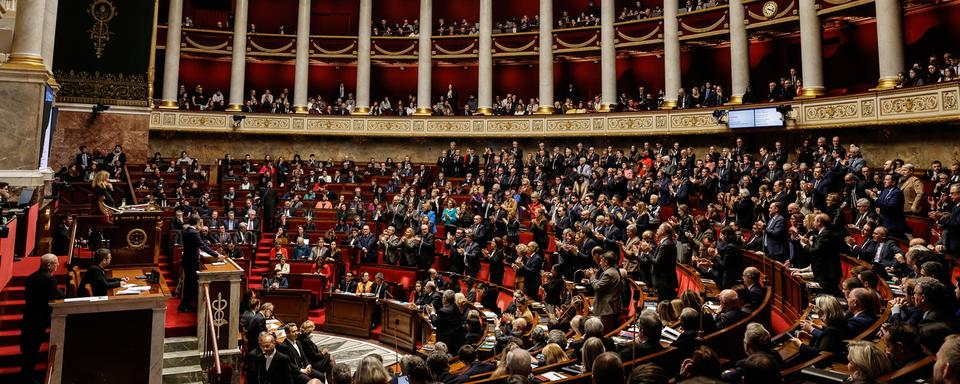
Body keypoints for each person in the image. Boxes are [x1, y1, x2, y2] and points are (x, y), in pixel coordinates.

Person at [20, 254, 63, 384]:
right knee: (33, 349)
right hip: (38, 319)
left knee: (28, 350)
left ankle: (26, 375)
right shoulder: (49, 279)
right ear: (49, 265)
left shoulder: (31, 277)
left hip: (29, 316)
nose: (58, 265)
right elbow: (58, 295)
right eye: (56, 263)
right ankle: (28, 378)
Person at [179, 215, 223, 312]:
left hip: (186, 259)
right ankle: (184, 305)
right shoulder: (194, 233)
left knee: (188, 283)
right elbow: (202, 246)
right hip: (191, 261)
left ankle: (185, 304)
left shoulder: (186, 230)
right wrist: (216, 255)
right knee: (191, 284)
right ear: (197, 222)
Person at [586, 251, 623, 333]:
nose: (600, 263)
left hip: (607, 308)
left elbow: (597, 287)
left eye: (601, 260)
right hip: (608, 307)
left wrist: (592, 276)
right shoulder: (613, 270)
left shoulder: (608, 273)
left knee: (604, 333)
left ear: (606, 262)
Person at [432, 290, 466, 354]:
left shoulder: (443, 311)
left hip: (446, 339)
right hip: (457, 337)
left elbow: (435, 323)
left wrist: (432, 313)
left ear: (445, 299)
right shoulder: (456, 306)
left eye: (443, 297)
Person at [651, 223, 679, 300]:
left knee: (663, 306)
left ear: (663, 232)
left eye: (659, 228)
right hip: (664, 281)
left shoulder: (666, 244)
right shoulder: (666, 242)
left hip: (665, 282)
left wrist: (647, 253)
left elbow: (657, 262)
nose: (657, 230)